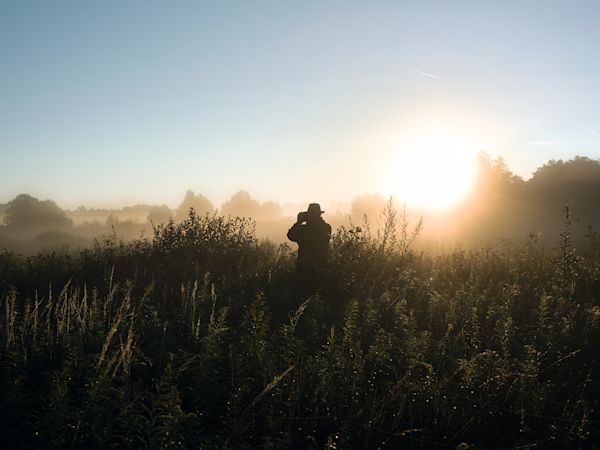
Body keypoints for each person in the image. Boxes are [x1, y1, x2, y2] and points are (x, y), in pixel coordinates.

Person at [287, 203, 332, 283]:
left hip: (305, 269)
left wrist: (299, 222)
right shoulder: (325, 227)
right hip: (320, 268)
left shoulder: (304, 230)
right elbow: (290, 236)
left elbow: (291, 235)